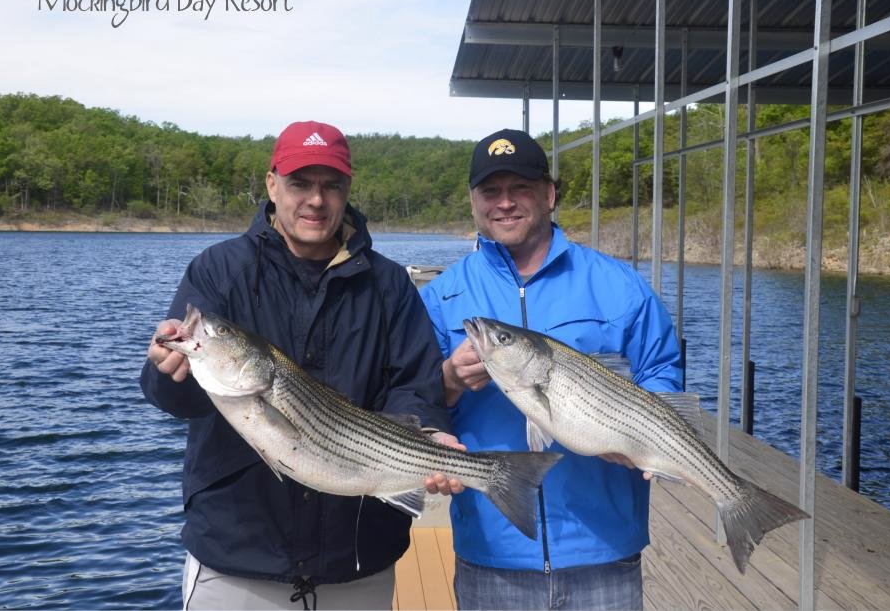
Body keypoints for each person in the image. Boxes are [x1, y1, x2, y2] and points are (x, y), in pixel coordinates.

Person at [141, 120, 464, 611]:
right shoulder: (219, 270)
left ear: (347, 190)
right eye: (300, 184)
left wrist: (429, 434)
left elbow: (415, 385)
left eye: (330, 185)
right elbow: (177, 398)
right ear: (272, 185)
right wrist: (167, 369)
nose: (316, 200)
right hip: (238, 553)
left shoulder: (388, 284)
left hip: (358, 556)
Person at [420, 129, 683, 610]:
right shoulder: (441, 296)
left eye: (519, 187)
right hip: (493, 548)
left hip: (603, 546)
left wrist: (640, 436)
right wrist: (450, 379)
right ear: (474, 201)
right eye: (490, 191)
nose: (505, 203)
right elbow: (415, 399)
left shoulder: (618, 284)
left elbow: (661, 369)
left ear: (549, 194)